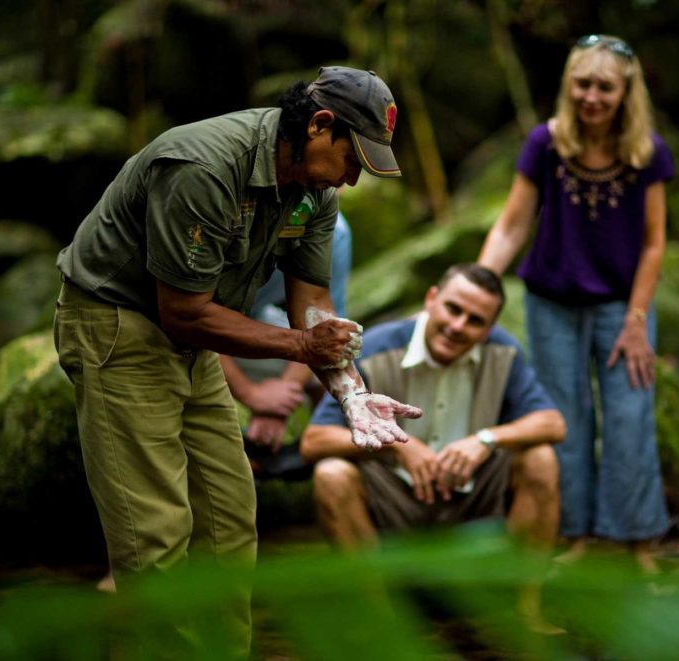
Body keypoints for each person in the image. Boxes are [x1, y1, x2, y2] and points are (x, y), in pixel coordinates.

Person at [52, 66, 421, 655]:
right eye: (355, 160)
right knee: (156, 534)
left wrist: (349, 388)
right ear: (321, 126)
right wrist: (301, 349)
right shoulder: (204, 168)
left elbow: (312, 304)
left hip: (196, 333)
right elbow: (183, 312)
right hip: (119, 324)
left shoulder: (315, 191)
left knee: (230, 515)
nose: (353, 181)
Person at [477, 34, 671, 555]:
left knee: (630, 416)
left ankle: (638, 540)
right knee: (563, 418)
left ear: (626, 91)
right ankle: (571, 534)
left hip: (622, 304)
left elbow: (655, 243)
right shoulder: (546, 142)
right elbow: (512, 227)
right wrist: (476, 286)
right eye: (582, 84)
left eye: (605, 87)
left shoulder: (647, 153)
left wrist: (637, 317)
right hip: (552, 303)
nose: (592, 97)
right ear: (569, 86)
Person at [301, 263, 566, 549]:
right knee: (331, 474)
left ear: (490, 329)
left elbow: (552, 423)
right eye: (453, 309)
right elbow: (314, 441)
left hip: (473, 496)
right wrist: (397, 445)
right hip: (392, 498)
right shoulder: (375, 347)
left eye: (475, 320)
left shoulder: (503, 352)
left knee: (541, 459)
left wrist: (485, 440)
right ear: (431, 300)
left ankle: (525, 592)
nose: (457, 326)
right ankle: (373, 592)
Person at [220, 212, 353, 473]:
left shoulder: (334, 232)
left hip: (249, 320)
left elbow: (324, 327)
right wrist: (250, 393)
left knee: (340, 362)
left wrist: (280, 399)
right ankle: (229, 461)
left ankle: (325, 460)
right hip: (182, 328)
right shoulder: (233, 212)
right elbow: (192, 317)